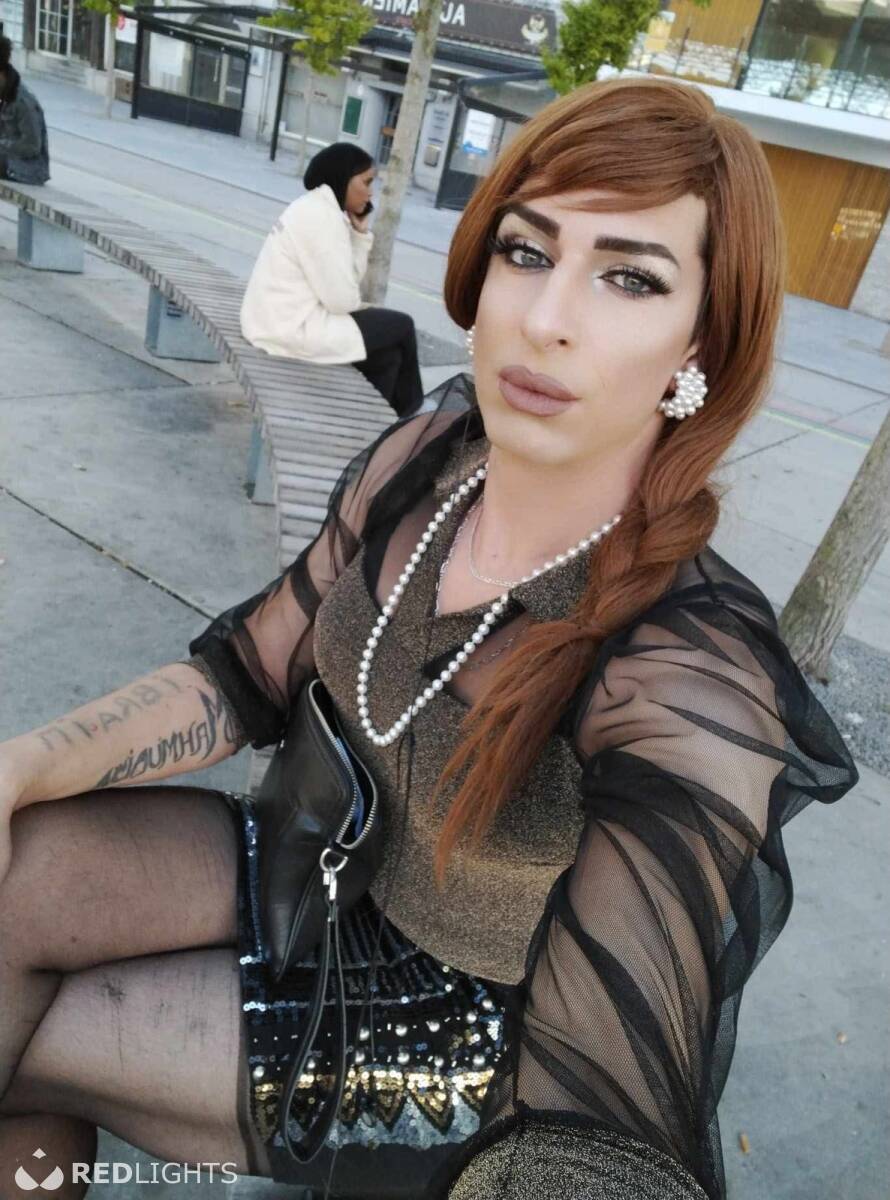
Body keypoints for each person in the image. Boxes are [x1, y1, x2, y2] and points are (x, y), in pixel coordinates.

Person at [0, 77, 859, 1199]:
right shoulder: (428, 461)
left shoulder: (686, 664)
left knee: (28, 1036)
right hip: (306, 860)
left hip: (447, 1018)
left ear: (702, 342)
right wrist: (24, 765)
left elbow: (611, 1100)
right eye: (526, 252)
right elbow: (247, 670)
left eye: (630, 278)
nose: (545, 316)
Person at [240, 141, 424, 419]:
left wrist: (359, 235)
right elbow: (343, 302)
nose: (371, 192)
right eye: (366, 182)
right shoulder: (322, 219)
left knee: (389, 358)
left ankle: (381, 425)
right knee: (402, 326)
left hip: (274, 320)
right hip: (289, 328)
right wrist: (356, 247)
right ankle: (413, 416)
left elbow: (346, 284)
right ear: (344, 178)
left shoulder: (314, 207)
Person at [0, 36, 50, 185]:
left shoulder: (22, 102)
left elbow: (32, 146)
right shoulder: (3, 95)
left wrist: (2, 145)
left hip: (27, 169)